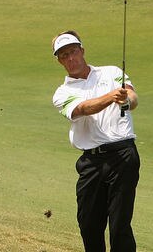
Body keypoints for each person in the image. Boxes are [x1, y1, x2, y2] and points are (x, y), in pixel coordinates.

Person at [50, 31, 140, 252]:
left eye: (73, 52)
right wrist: (111, 97)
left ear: (82, 51)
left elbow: (133, 97)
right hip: (91, 162)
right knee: (88, 223)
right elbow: (82, 109)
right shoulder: (62, 93)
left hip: (123, 155)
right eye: (64, 56)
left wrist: (126, 100)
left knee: (120, 224)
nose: (70, 58)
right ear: (59, 61)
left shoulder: (111, 72)